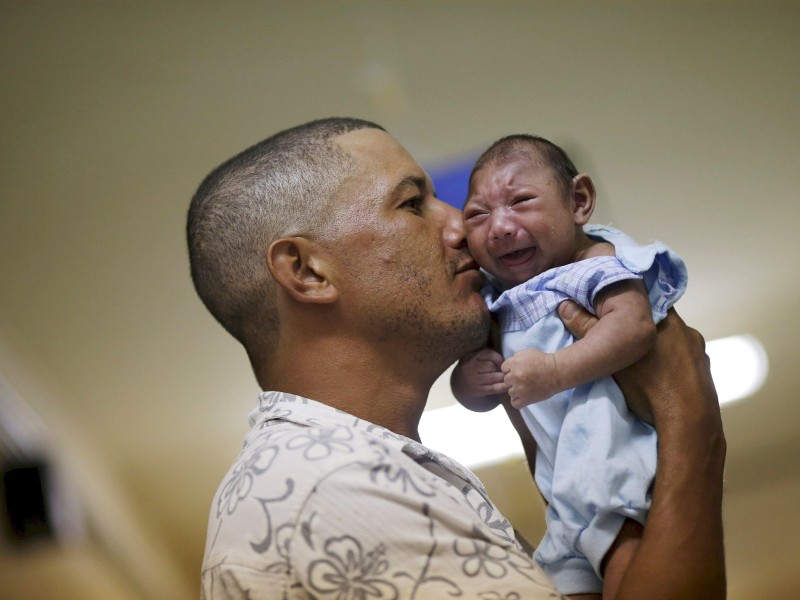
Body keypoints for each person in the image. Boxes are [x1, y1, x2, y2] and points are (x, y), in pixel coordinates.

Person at [187, 117, 726, 599]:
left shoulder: (346, 474)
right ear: (307, 270)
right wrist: (689, 420)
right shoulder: (332, 488)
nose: (462, 229)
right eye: (412, 203)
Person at [450, 134, 688, 596]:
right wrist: (469, 381)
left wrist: (557, 371)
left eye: (520, 201)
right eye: (477, 214)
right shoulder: (493, 299)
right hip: (562, 493)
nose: (499, 226)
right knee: (565, 581)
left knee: (627, 566)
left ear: (578, 201)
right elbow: (478, 400)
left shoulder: (592, 264)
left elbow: (633, 327)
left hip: (611, 464)